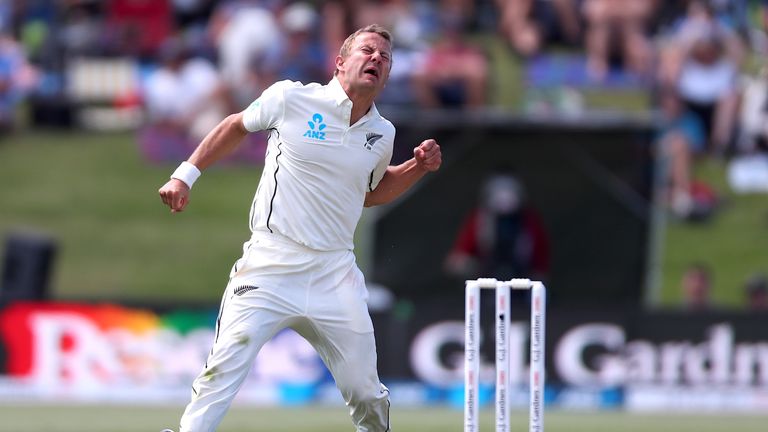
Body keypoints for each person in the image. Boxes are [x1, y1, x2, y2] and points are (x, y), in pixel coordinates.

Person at [157, 24, 442, 432]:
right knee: (223, 367)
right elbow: (236, 125)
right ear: (340, 62)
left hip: (334, 272)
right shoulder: (292, 97)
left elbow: (368, 193)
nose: (377, 59)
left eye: (385, 57)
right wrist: (185, 176)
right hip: (271, 262)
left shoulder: (383, 134)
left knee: (366, 393)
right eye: (367, 51)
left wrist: (417, 167)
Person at [444, 172, 550, 283]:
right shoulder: (479, 219)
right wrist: (464, 264)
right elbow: (460, 254)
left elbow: (541, 255)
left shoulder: (529, 221)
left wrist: (539, 274)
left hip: (522, 276)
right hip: (486, 274)